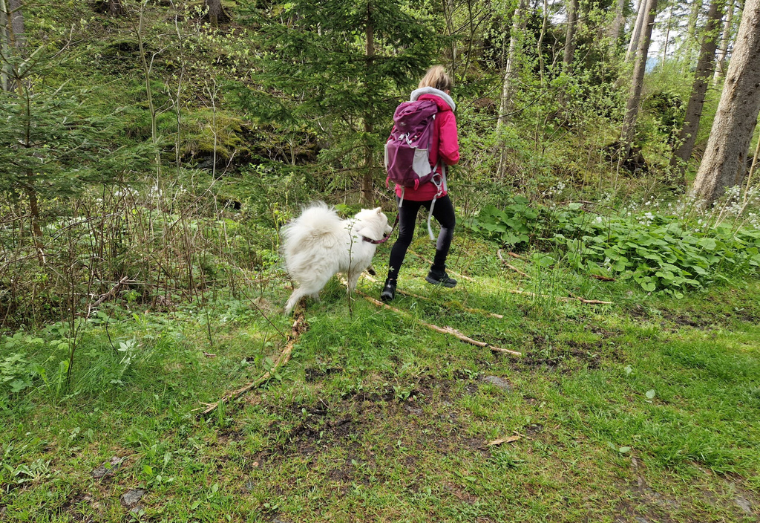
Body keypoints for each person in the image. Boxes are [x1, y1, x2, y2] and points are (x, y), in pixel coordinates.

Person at [381, 65, 460, 302]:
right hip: (430, 187)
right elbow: (450, 154)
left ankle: (389, 284)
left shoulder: (407, 111)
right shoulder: (445, 113)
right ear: (444, 89)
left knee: (404, 236)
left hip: (404, 187)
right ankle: (437, 271)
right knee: (448, 222)